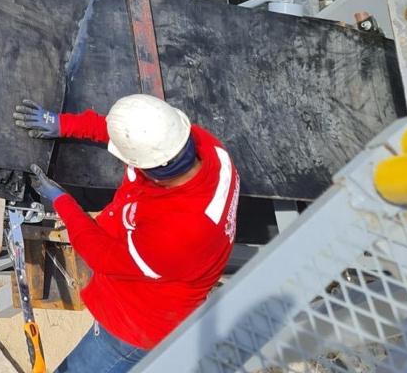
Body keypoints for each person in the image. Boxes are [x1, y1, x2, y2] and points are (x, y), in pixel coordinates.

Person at [12, 94, 240, 372]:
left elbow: (101, 255)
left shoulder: (179, 235)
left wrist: (62, 201)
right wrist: (63, 124)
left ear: (152, 170)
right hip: (154, 272)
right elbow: (132, 136)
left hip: (139, 322)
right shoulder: (200, 146)